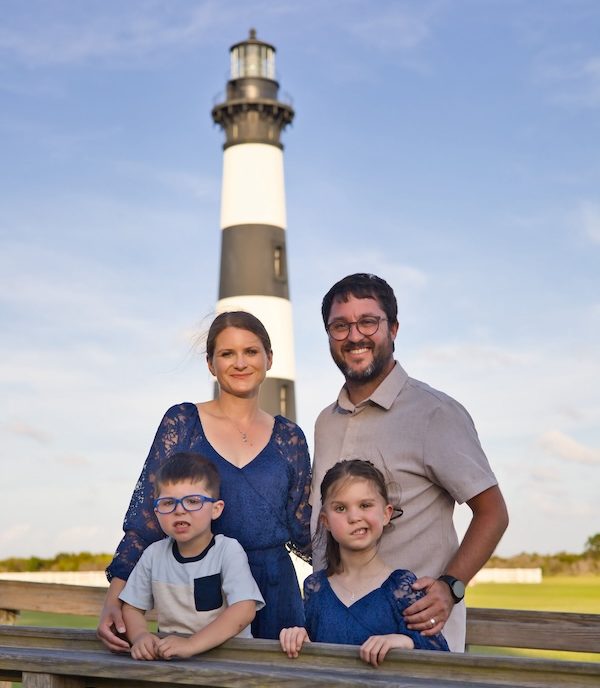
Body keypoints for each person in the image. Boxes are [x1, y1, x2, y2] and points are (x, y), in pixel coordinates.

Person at [311, 273, 509, 652]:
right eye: (340, 326)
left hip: (414, 643)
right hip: (333, 639)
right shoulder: (325, 421)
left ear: (394, 328)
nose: (354, 336)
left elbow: (493, 512)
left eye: (368, 321)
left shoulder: (434, 413)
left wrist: (452, 586)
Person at [98, 311, 312, 651]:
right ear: (211, 363)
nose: (240, 363)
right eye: (227, 353)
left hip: (276, 594)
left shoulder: (290, 437)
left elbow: (306, 528)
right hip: (203, 596)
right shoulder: (182, 422)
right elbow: (146, 520)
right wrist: (115, 597)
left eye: (251, 352)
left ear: (269, 358)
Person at [280, 460, 449, 667]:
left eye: (365, 505)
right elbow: (313, 656)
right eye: (341, 508)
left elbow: (440, 654)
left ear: (386, 513)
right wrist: (297, 637)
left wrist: (404, 642)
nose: (354, 517)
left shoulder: (401, 587)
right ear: (325, 521)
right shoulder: (315, 587)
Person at [120, 452, 264, 660]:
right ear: (157, 511)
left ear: (216, 509)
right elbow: (132, 607)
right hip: (175, 660)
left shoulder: (227, 551)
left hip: (230, 661)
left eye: (193, 501)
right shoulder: (154, 555)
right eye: (168, 503)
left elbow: (244, 610)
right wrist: (141, 636)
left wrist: (191, 644)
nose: (180, 511)